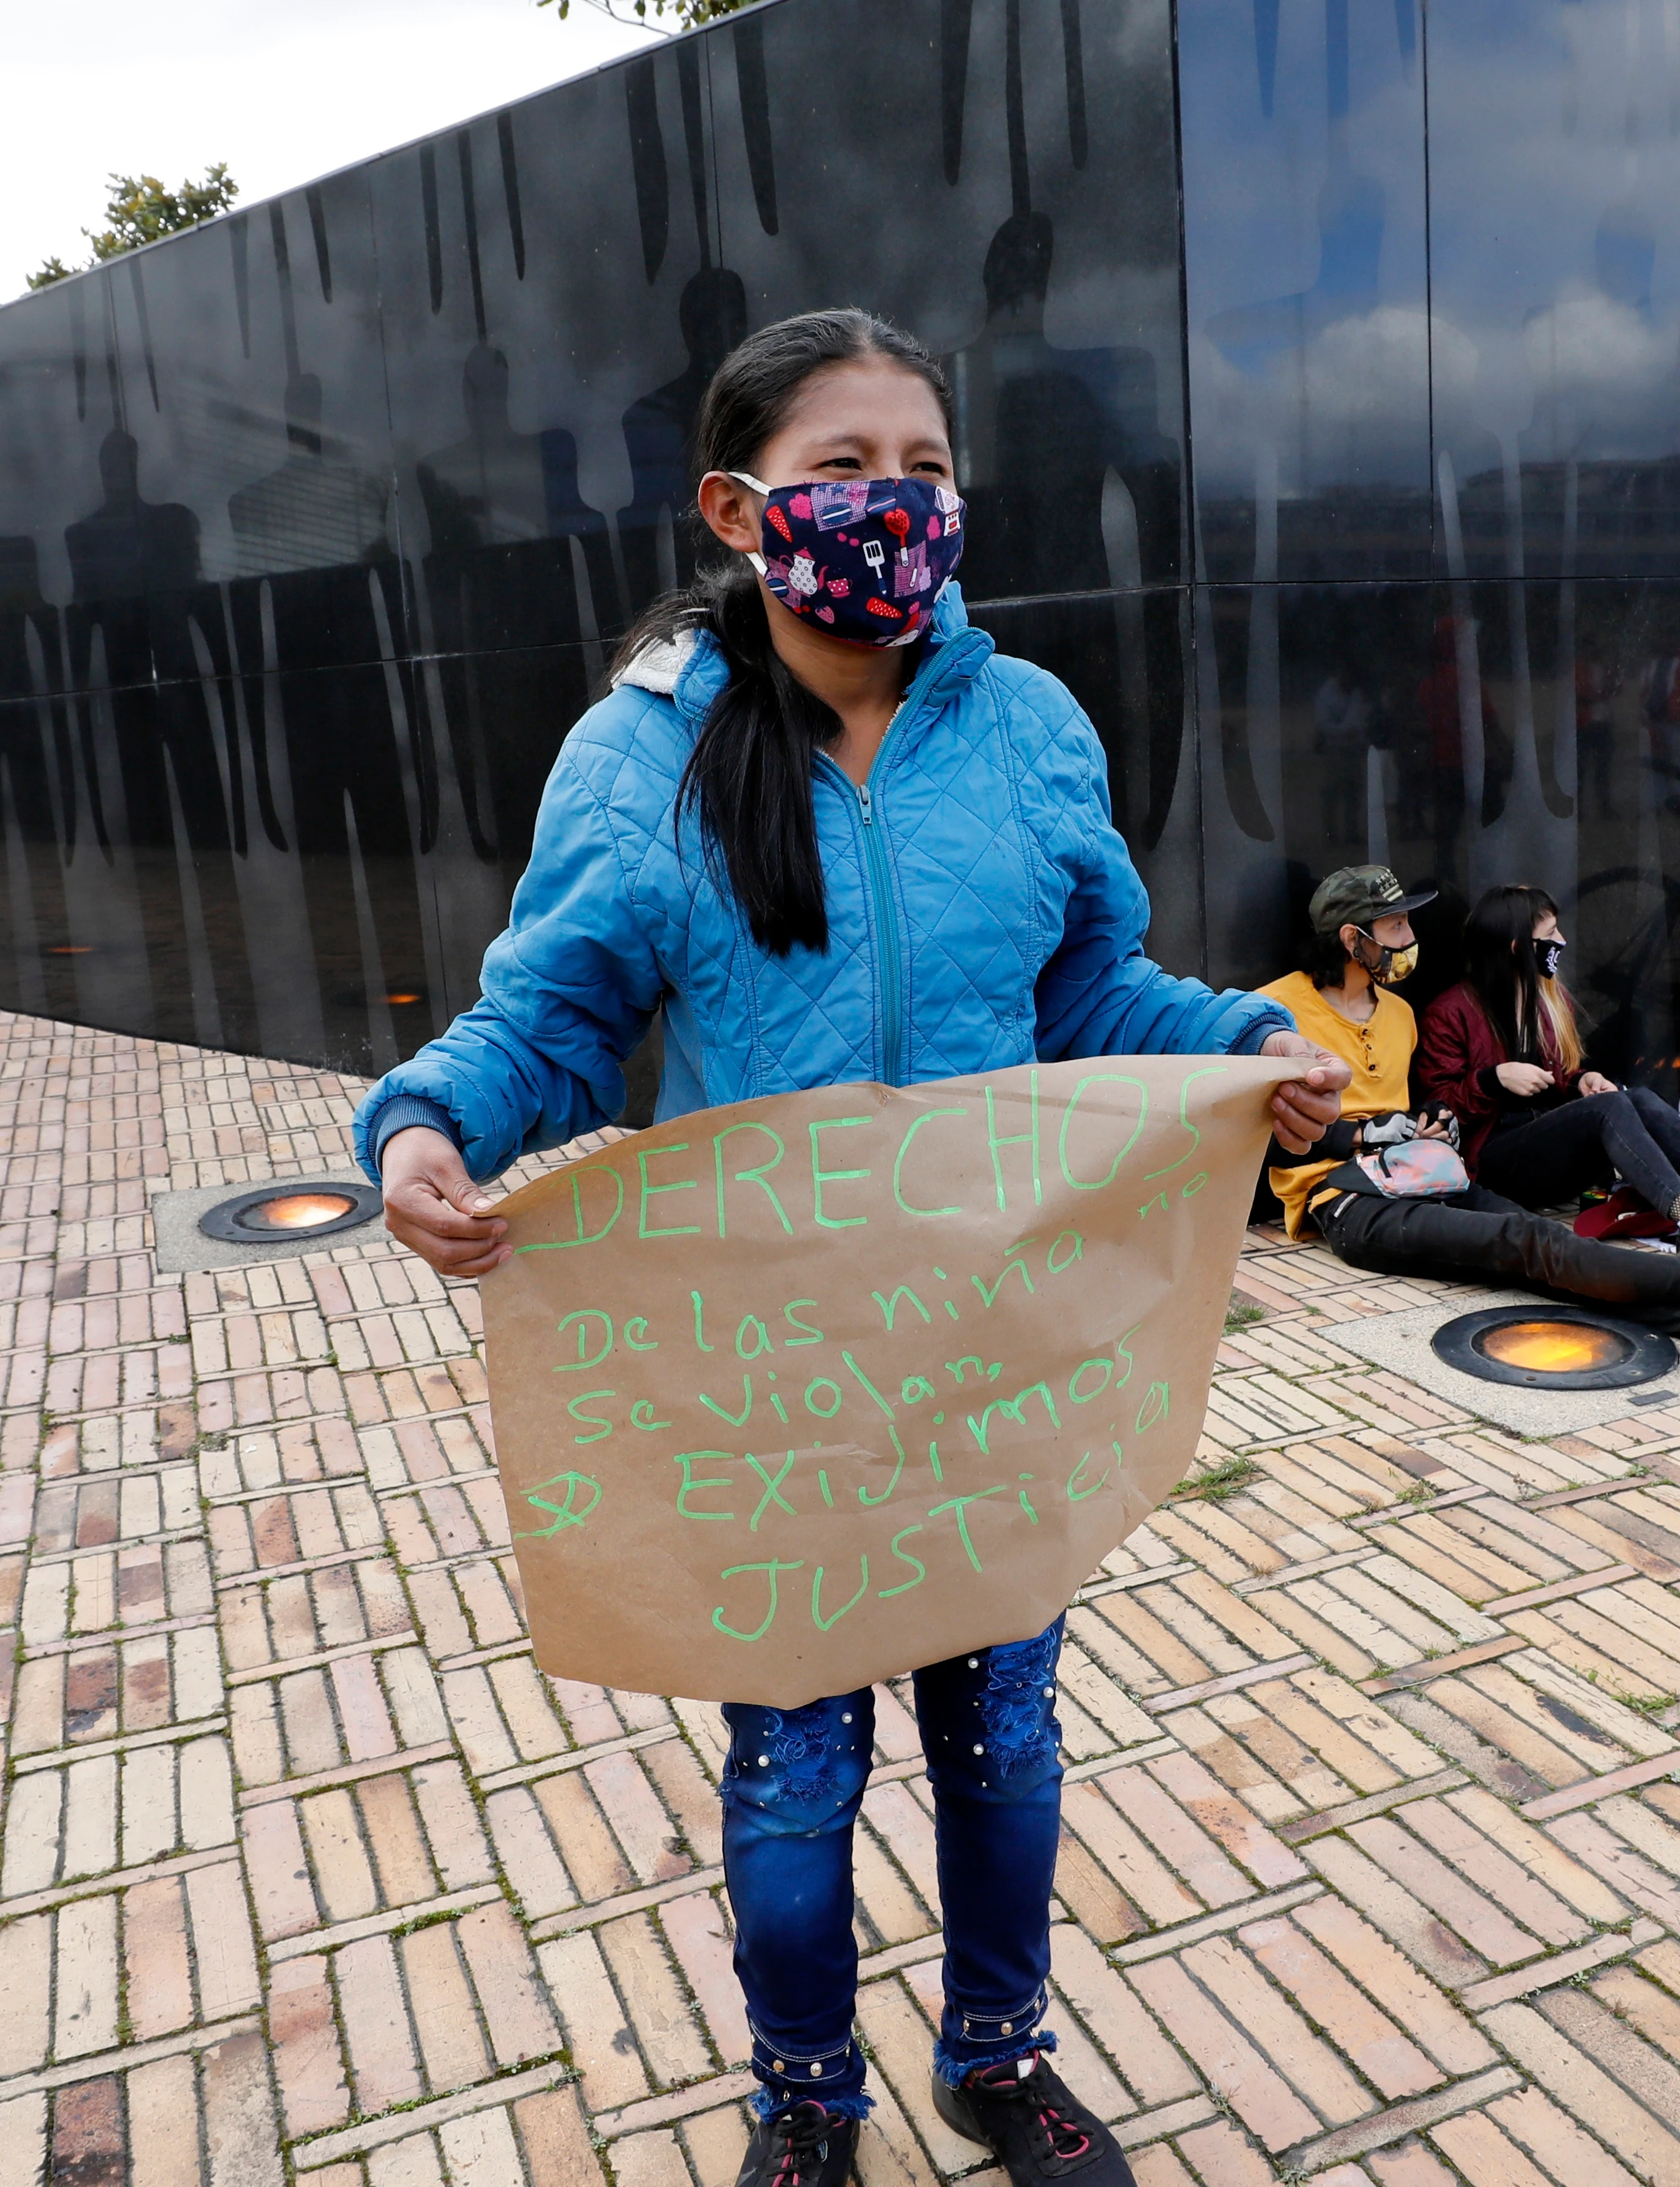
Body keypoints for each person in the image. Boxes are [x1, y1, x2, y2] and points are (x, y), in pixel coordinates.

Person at [353, 309, 1343, 2187]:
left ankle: (996, 2056)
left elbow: (1089, 986)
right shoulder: (638, 753)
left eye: (924, 468)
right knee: (794, 1791)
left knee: (1007, 1752)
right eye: (840, 471)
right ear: (738, 507)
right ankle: (804, 2101)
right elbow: (551, 1016)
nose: (891, 503)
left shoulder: (1030, 723)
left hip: (992, 1345)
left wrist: (1229, 1046)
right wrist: (421, 1129)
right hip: (779, 1374)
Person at [1256, 866, 1680, 1372]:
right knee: (1531, 1242)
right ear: (1352, 938)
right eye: (1397, 927)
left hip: (1427, 1171)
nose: (1412, 937)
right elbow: (1270, 1145)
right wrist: (1364, 1132)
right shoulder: (1276, 1011)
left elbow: (1420, 1106)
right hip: (1345, 1200)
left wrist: (1434, 1119)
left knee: (1552, 1256)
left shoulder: (1399, 1014)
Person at [1413, 882, 1680, 1263]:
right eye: (1549, 935)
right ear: (1519, 949)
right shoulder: (1451, 1012)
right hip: (1493, 1162)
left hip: (1548, 1148)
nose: (1561, 941)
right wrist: (1494, 1079)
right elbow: (1440, 1111)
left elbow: (1559, 1074)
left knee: (1637, 1098)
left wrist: (1580, 1081)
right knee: (1609, 1109)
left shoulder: (1548, 997)